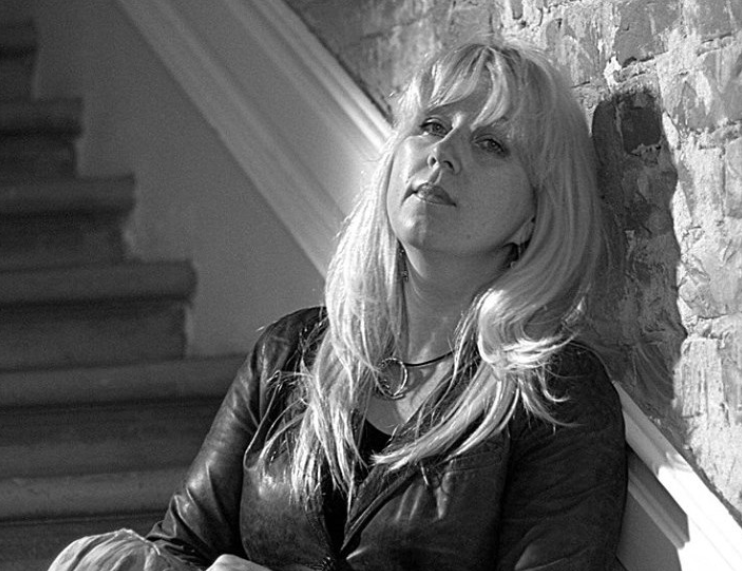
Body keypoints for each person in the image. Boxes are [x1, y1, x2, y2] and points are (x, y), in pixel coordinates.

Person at [49, 40, 626, 571]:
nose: (444, 153)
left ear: (533, 216)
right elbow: (185, 547)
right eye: (432, 125)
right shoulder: (288, 352)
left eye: (491, 144)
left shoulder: (557, 395)